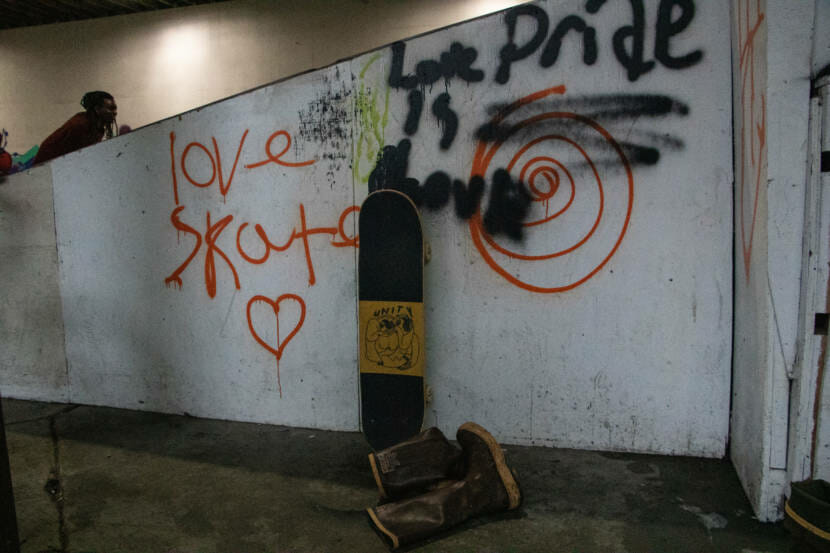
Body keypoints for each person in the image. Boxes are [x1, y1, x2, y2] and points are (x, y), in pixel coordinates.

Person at [33, 91, 118, 165]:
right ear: (97, 109)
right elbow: (76, 157)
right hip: (45, 165)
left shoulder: (98, 129)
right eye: (111, 109)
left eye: (115, 109)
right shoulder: (80, 125)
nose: (115, 113)